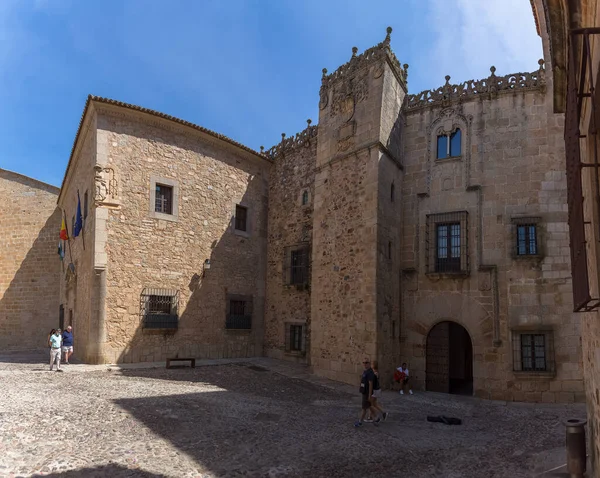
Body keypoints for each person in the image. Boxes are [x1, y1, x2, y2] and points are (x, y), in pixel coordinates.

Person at [355, 357, 378, 427]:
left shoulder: (370, 372)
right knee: (368, 406)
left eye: (366, 362)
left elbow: (370, 384)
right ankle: (377, 417)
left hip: (367, 392)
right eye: (364, 362)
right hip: (364, 391)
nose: (365, 364)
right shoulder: (366, 371)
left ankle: (360, 422)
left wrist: (369, 395)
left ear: (369, 363)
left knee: (364, 408)